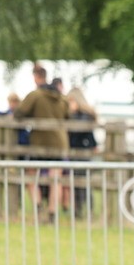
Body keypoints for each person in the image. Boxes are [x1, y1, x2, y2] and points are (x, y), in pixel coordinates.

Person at [15, 64, 70, 220]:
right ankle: (52, 212)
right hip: (59, 143)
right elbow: (69, 115)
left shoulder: (35, 95)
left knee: (31, 174)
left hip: (40, 143)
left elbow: (19, 113)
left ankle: (38, 205)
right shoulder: (61, 98)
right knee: (56, 178)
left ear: (36, 77)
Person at [67, 87, 99, 217]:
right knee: (76, 184)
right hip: (76, 153)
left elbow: (82, 132)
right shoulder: (81, 116)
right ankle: (78, 211)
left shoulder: (83, 116)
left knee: (83, 184)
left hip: (82, 153)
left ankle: (87, 210)